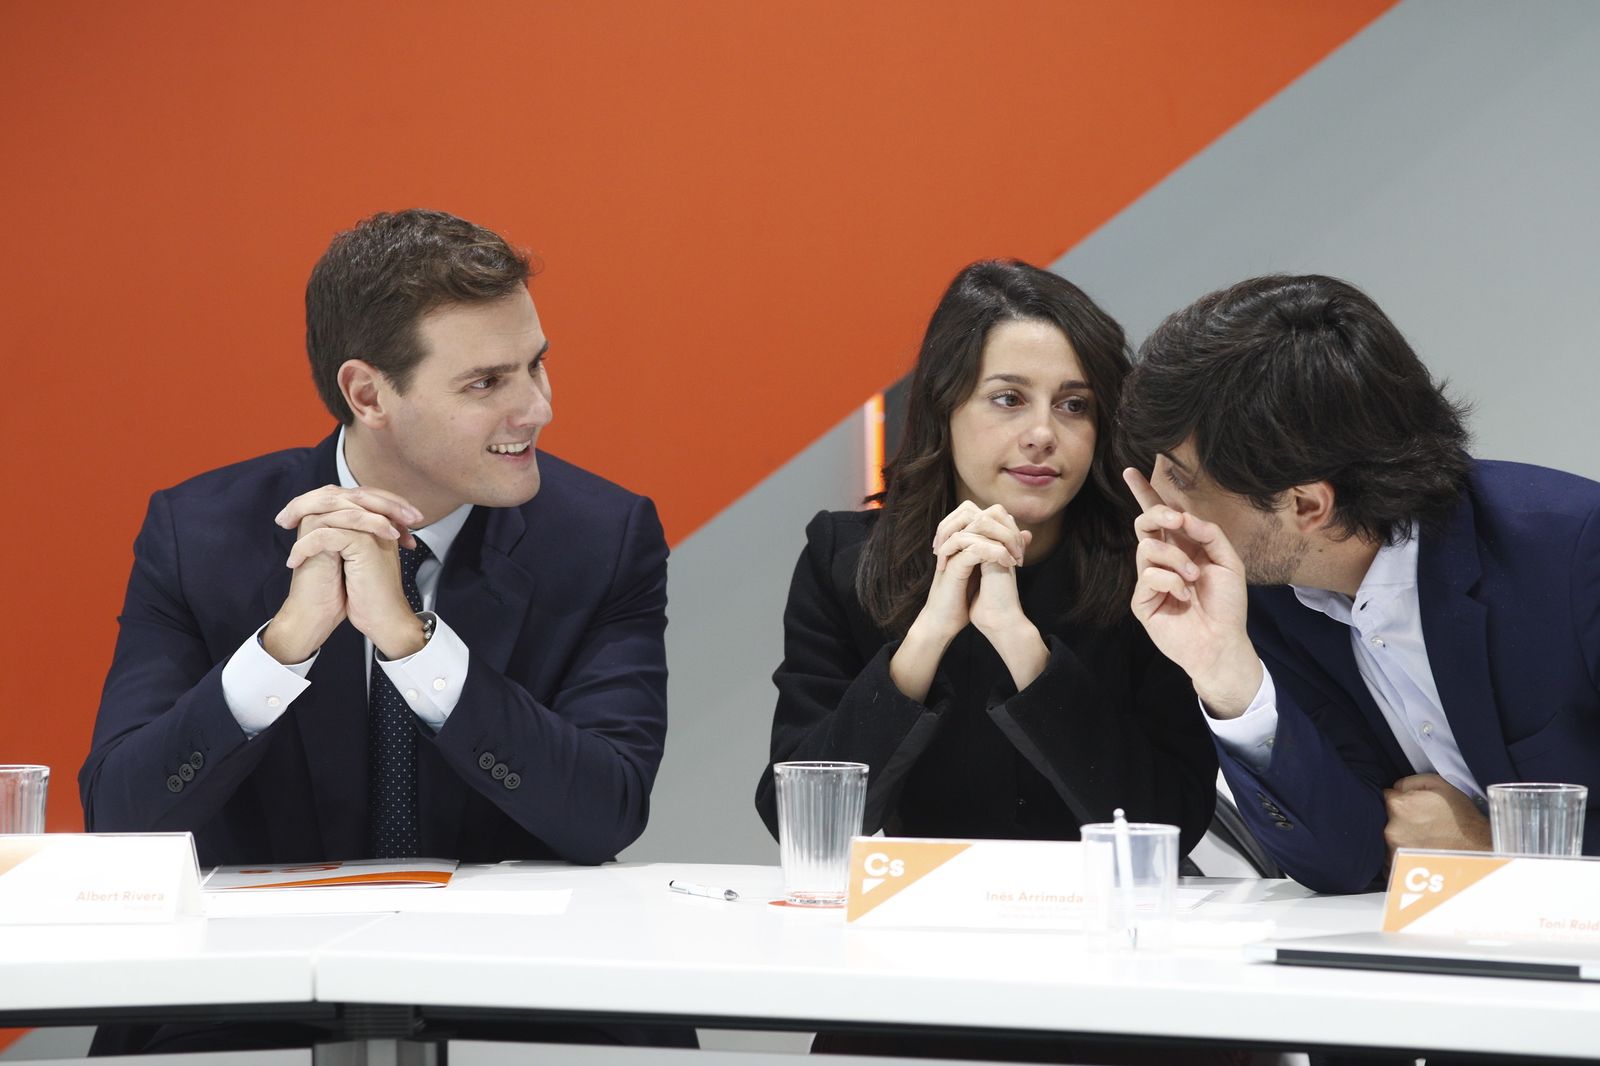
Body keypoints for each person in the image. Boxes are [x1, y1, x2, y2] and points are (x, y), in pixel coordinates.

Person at [82, 210, 669, 869]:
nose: (538, 407)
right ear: (368, 395)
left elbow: (605, 817)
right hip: (264, 963)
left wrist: (415, 646)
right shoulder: (200, 536)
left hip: (496, 962)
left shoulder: (602, 539)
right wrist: (282, 648)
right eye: (486, 382)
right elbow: (120, 822)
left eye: (536, 365)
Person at [1119, 273, 1600, 896]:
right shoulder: (1256, 591)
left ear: (1306, 505)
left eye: (1179, 477)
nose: (1153, 496)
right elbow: (1340, 862)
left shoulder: (1572, 553)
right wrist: (1225, 672)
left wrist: (1493, 851)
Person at [755, 259, 1215, 856]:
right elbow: (801, 826)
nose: (1043, 433)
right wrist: (928, 636)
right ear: (944, 409)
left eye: (1074, 405)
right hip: (920, 921)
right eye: (1007, 399)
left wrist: (1020, 643)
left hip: (1102, 923)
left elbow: (1170, 828)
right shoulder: (844, 558)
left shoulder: (1148, 568)